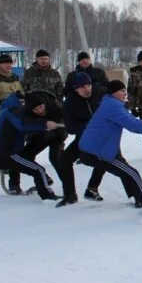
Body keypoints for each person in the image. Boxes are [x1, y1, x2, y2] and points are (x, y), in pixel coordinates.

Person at [78, 80, 142, 218]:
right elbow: (131, 124)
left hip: (101, 148)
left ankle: (141, 200)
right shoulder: (112, 106)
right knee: (132, 173)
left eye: (125, 90)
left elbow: (130, 119)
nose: (124, 93)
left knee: (127, 171)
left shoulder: (113, 104)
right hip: (96, 151)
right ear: (113, 93)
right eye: (121, 91)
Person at [0, 92, 61, 200]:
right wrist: (44, 124)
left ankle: (14, 186)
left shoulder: (10, 108)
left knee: (22, 159)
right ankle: (48, 196)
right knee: (38, 170)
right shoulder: (13, 109)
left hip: (1, 154)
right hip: (3, 155)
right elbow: (22, 125)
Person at [56, 72, 107, 207]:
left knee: (110, 160)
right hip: (83, 137)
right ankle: (70, 195)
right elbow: (71, 128)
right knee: (65, 159)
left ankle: (92, 188)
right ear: (75, 89)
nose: (86, 89)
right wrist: (89, 126)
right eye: (82, 87)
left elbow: (117, 100)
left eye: (88, 85)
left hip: (104, 136)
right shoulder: (70, 103)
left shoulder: (100, 93)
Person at [18, 90, 67, 189]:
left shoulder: (54, 105)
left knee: (55, 158)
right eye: (35, 109)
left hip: (57, 135)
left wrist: (54, 131)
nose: (39, 111)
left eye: (40, 107)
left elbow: (65, 125)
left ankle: (68, 186)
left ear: (44, 104)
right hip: (40, 135)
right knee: (24, 156)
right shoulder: (26, 111)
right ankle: (43, 178)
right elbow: (25, 124)